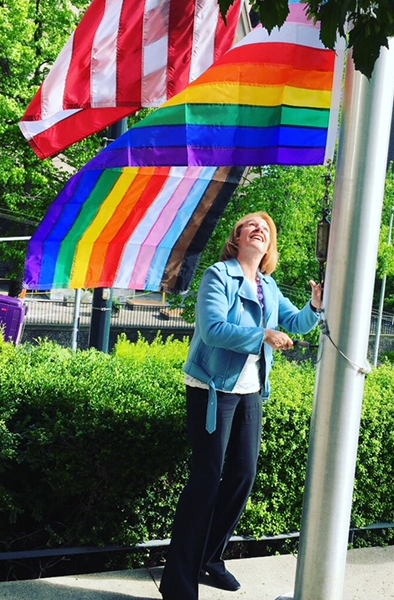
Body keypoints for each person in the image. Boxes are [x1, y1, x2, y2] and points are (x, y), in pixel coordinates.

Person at [159, 211, 322, 600]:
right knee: (205, 482)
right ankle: (177, 583)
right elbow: (213, 330)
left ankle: (209, 558)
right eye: (251, 225)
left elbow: (295, 323)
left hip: (249, 390)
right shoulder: (220, 275)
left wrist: (314, 307)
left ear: (269, 246)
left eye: (266, 229)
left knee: (242, 476)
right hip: (211, 388)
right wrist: (263, 334)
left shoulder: (268, 285)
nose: (259, 229)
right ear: (237, 237)